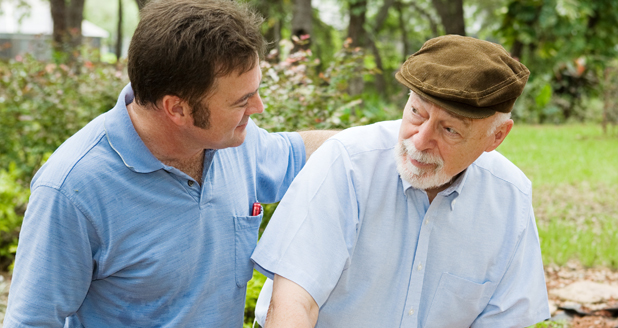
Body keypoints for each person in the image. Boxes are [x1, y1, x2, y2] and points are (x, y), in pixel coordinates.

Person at [3, 0, 335, 327]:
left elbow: (305, 152)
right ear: (177, 109)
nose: (258, 107)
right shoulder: (71, 190)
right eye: (242, 101)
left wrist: (381, 139)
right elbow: (32, 321)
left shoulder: (233, 142)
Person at [251, 35, 550, 328]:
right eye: (417, 113)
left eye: (449, 130)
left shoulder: (510, 197)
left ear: (497, 136)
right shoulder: (347, 163)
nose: (420, 141)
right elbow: (294, 303)